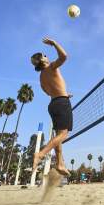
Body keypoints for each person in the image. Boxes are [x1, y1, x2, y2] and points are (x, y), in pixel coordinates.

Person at [31, 38, 72, 177]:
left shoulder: (41, 77)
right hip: (61, 103)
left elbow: (49, 91)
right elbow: (64, 56)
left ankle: (60, 163)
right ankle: (40, 154)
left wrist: (64, 94)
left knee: (58, 135)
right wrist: (54, 43)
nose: (47, 56)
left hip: (53, 104)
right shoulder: (51, 67)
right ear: (43, 60)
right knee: (63, 134)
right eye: (45, 55)